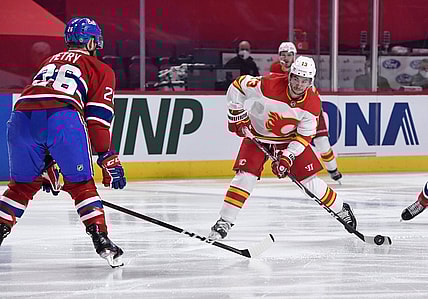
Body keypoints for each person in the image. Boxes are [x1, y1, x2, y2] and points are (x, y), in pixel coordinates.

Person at [0, 17, 126, 268]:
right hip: (62, 117)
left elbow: (40, 103)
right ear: (92, 41)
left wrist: (45, 161)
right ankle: (101, 239)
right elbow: (97, 121)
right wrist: (107, 157)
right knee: (81, 185)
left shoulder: (50, 61)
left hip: (20, 117)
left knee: (21, 188)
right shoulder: (101, 69)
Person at [208, 56, 357, 241]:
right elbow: (238, 86)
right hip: (257, 136)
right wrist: (235, 114)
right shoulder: (268, 84)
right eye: (296, 78)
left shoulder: (312, 104)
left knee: (309, 182)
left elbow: (304, 136)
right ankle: (224, 221)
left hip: (288, 140)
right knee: (245, 177)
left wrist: (288, 157)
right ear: (290, 76)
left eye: (304, 81)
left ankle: (340, 208)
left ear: (311, 82)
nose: (299, 84)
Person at [270, 42, 343, 182]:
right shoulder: (275, 67)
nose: (286, 58)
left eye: (289, 54)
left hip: (309, 109)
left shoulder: (304, 65)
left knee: (322, 142)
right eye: (283, 55)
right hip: (291, 110)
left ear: (294, 55)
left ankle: (333, 170)